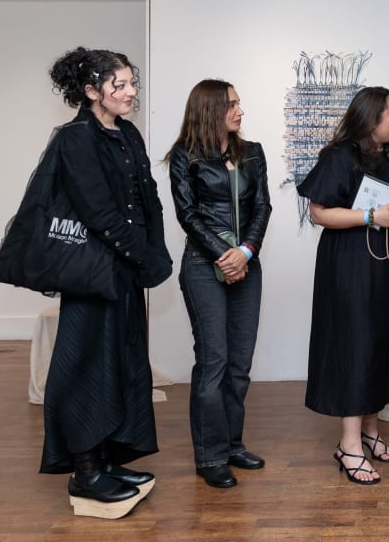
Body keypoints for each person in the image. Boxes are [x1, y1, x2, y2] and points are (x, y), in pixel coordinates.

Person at [40, 47, 172, 518]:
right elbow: (98, 213)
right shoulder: (76, 139)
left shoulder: (127, 133)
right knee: (85, 369)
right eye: (120, 84)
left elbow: (147, 197)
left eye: (131, 81)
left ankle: (108, 459)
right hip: (92, 275)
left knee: (121, 363)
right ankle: (85, 470)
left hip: (124, 272)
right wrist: (144, 256)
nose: (131, 91)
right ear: (92, 91)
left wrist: (155, 254)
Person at [297, 86, 389, 485]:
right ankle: (349, 445)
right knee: (354, 345)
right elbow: (319, 214)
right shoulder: (338, 156)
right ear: (372, 118)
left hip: (386, 264)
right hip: (349, 266)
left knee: (379, 342)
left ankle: (371, 430)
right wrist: (371, 216)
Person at [166, 80, 272, 489]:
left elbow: (263, 205)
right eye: (232, 104)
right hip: (202, 266)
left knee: (239, 366)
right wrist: (223, 256)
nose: (240, 110)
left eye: (239, 102)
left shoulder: (253, 154)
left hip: (246, 264)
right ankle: (209, 457)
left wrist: (245, 252)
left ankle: (231, 445)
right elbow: (187, 214)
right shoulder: (185, 156)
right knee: (213, 363)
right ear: (210, 109)